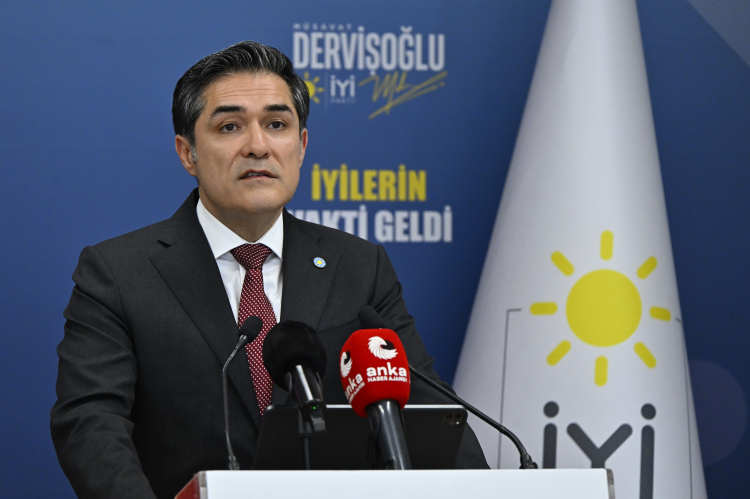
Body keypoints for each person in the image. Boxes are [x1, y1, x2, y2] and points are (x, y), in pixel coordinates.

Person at [50, 41, 488, 499]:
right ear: (187, 153)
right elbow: (90, 423)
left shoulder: (359, 267)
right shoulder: (119, 273)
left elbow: (428, 411)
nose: (257, 146)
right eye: (230, 126)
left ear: (301, 146)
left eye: (276, 125)